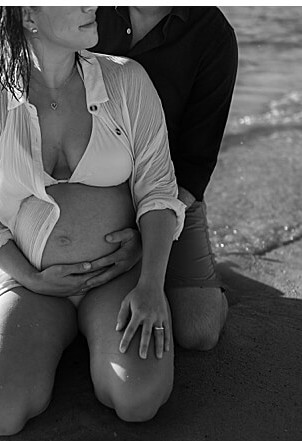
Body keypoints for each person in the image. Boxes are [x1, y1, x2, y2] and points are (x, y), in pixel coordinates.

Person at [0, 6, 187, 435]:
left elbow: (158, 190)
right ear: (28, 13)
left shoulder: (127, 80)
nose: (92, 5)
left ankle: (95, 342)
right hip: (35, 285)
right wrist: (32, 278)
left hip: (117, 279)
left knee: (137, 401)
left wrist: (151, 286)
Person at [87, 6, 238, 351]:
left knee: (198, 332)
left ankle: (214, 285)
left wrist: (148, 237)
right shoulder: (85, 12)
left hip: (167, 190)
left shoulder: (214, 35)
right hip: (91, 185)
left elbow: (195, 162)